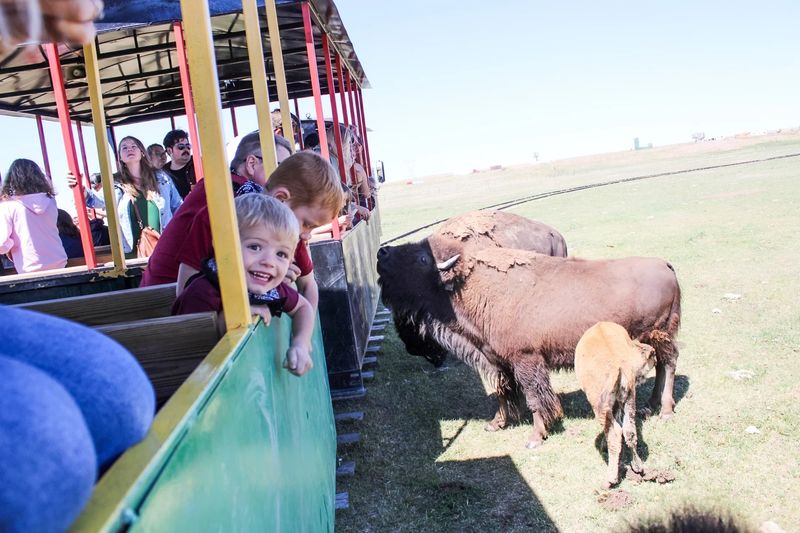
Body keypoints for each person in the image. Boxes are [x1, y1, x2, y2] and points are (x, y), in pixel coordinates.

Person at [174, 151, 344, 317]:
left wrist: (305, 335)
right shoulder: (215, 218)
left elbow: (308, 284)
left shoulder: (289, 236)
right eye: (307, 224)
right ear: (280, 199)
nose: (307, 235)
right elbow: (185, 290)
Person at [172, 194, 314, 376]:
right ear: (223, 246)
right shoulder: (203, 292)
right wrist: (228, 320)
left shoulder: (271, 289)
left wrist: (301, 343)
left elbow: (303, 307)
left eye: (281, 254)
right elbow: (185, 348)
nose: (269, 262)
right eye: (255, 247)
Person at [140, 132, 292, 287]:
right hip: (173, 296)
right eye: (280, 166)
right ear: (252, 164)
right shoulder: (235, 195)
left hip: (175, 290)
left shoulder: (225, 185)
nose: (287, 177)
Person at [68, 136, 182, 258]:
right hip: (132, 252)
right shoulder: (116, 183)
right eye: (125, 148)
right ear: (120, 157)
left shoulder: (161, 178)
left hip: (165, 248)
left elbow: (178, 207)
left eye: (134, 146)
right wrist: (79, 187)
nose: (129, 149)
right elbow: (97, 201)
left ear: (142, 152)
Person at [0, 158, 67, 273]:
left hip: (29, 267)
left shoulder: (9, 206)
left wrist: (12, 244)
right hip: (59, 261)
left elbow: (2, 245)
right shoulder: (51, 201)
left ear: (12, 180)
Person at [162, 129, 196, 199]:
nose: (186, 149)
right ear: (169, 150)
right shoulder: (163, 174)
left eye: (188, 146)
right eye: (181, 147)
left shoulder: (199, 163)